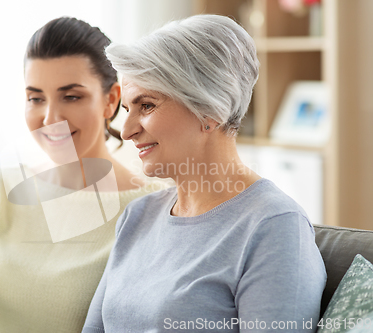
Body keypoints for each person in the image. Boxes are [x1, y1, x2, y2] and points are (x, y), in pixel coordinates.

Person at [0, 17, 152, 333]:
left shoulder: (150, 207)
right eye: (35, 98)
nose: (50, 118)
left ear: (111, 99)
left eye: (71, 96)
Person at [82, 14, 327, 333]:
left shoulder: (274, 227)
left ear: (210, 111)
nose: (125, 131)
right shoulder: (137, 217)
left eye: (146, 106)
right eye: (127, 109)